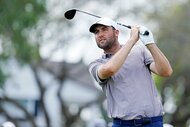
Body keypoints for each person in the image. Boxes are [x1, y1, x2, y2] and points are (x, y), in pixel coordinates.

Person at [88, 17, 173, 127]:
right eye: (96, 32)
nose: (100, 34)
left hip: (153, 122)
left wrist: (150, 43)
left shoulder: (139, 51)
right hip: (123, 124)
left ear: (116, 32)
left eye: (104, 29)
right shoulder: (96, 64)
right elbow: (110, 69)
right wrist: (132, 40)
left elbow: (166, 71)